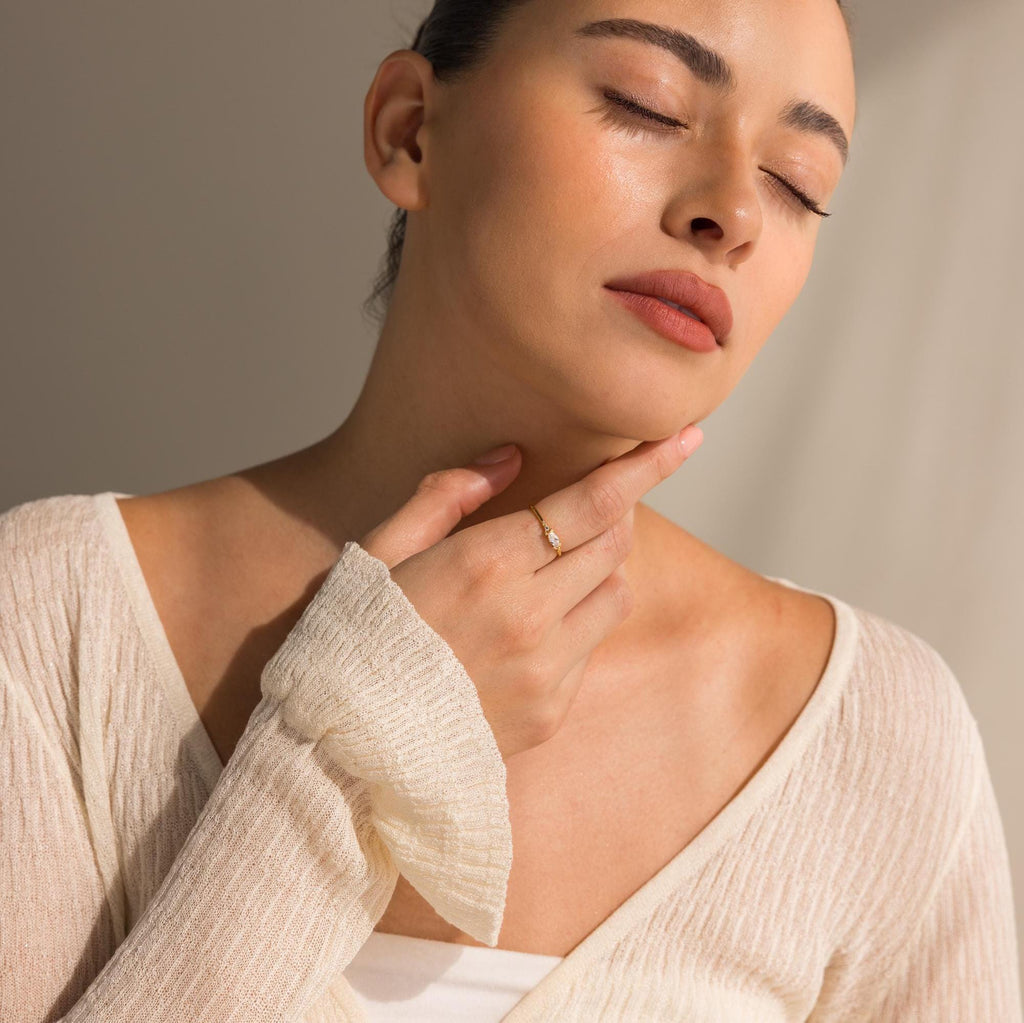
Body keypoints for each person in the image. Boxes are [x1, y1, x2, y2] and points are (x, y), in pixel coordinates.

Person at [1, 0, 1020, 1020]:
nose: (733, 213)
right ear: (409, 131)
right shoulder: (49, 623)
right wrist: (342, 758)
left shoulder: (878, 742)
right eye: (646, 104)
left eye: (798, 184)